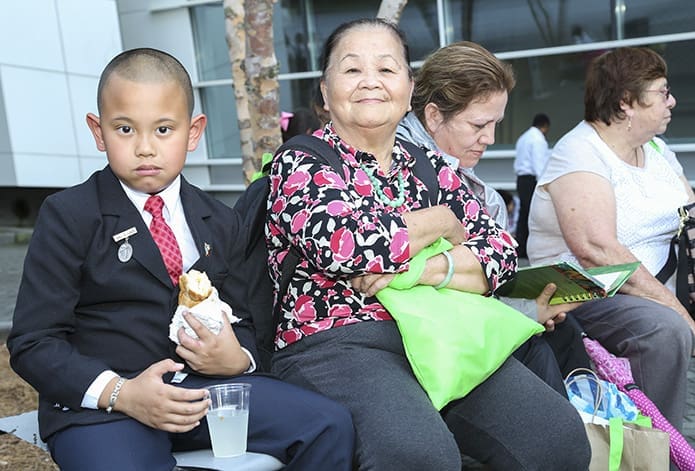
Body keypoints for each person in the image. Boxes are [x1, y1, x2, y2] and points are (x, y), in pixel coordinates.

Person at [7, 47, 354, 471]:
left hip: (206, 394)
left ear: (194, 132)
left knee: (328, 424)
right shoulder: (69, 215)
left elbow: (247, 321)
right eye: (125, 129)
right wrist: (122, 392)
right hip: (106, 409)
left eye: (164, 130)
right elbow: (33, 343)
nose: (145, 147)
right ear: (99, 133)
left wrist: (237, 358)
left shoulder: (221, 220)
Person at [266, 19, 590, 470]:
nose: (371, 82)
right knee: (420, 456)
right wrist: (442, 221)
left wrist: (425, 268)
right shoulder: (301, 161)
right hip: (339, 342)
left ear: (408, 86)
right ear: (324, 91)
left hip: (441, 331)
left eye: (386, 69)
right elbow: (347, 247)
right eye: (352, 70)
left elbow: (498, 252)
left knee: (558, 438)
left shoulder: (427, 165)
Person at [397, 41, 590, 383]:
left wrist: (531, 307)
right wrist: (528, 312)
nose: (490, 138)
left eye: (496, 123)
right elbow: (447, 299)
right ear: (433, 115)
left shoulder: (472, 187)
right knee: (546, 348)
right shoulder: (399, 163)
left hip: (460, 317)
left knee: (566, 333)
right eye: (478, 125)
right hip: (428, 335)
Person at [528, 46, 695, 433]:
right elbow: (598, 252)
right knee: (665, 329)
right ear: (626, 103)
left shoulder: (655, 148)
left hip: (649, 285)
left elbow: (690, 216)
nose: (672, 101)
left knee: (666, 320)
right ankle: (654, 452)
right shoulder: (580, 152)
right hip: (583, 291)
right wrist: (679, 311)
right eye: (662, 92)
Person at [514, 112, 550, 258]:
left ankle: (520, 248)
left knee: (524, 214)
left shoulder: (524, 137)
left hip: (521, 179)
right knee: (533, 215)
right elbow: (539, 164)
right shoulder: (538, 139)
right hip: (531, 180)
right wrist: (545, 184)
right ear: (545, 126)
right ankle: (530, 249)